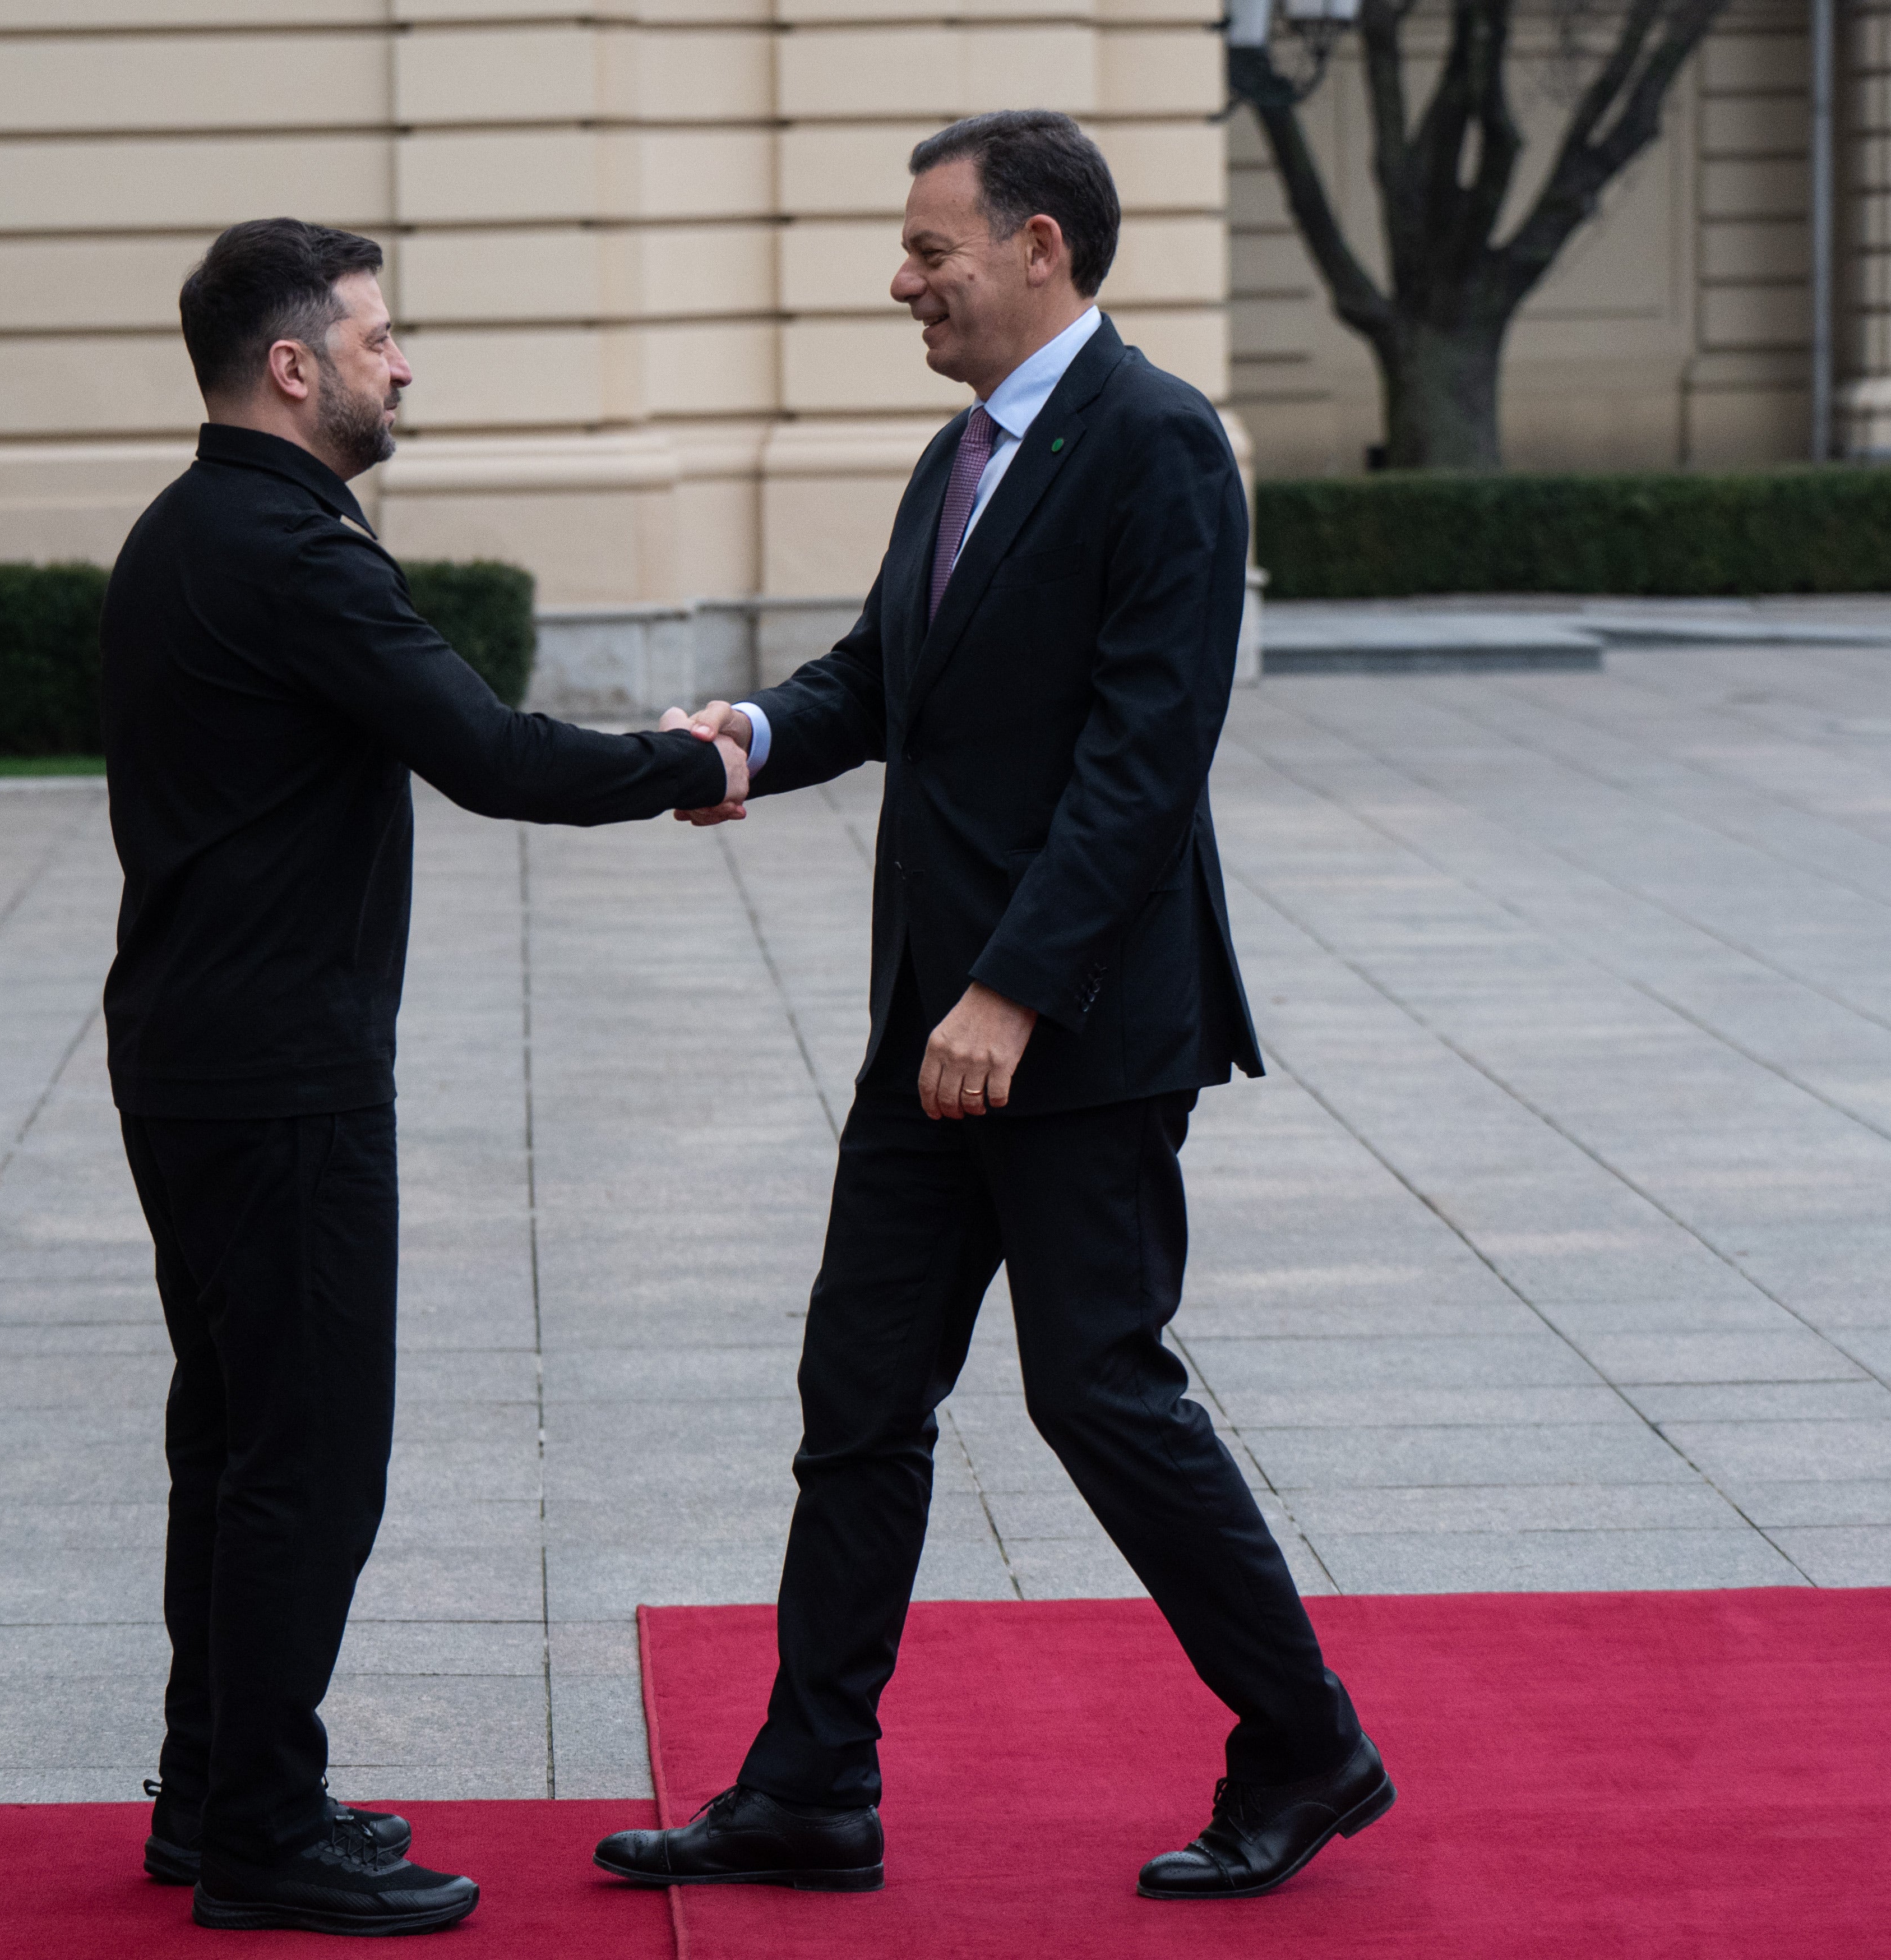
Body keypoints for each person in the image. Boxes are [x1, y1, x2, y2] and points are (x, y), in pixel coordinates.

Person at [590, 110, 1394, 1902]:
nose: (904, 279)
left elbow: (1140, 763)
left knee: (1096, 1390)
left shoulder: (1161, 445)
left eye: (930, 248)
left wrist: (1014, 995)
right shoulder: (961, 455)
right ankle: (809, 1788)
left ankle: (1306, 1742)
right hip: (925, 1029)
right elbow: (880, 682)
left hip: (1076, 1030)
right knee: (857, 1395)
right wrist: (746, 737)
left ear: (1040, 247)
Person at [103, 217, 750, 1938]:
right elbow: (493, 759)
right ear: (294, 367)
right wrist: (702, 757)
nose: (404, 364)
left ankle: (216, 1791)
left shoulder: (186, 528)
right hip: (280, 1076)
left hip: (188, 1056)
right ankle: (257, 1831)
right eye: (379, 338)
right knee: (310, 1457)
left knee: (234, 1444)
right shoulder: (296, 551)